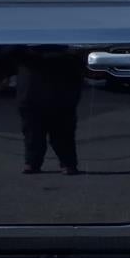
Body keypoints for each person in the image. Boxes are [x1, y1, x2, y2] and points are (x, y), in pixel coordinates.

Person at [14, 46, 84, 174]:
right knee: (35, 131)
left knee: (59, 131)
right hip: (37, 90)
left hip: (52, 89)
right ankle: (35, 162)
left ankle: (64, 163)